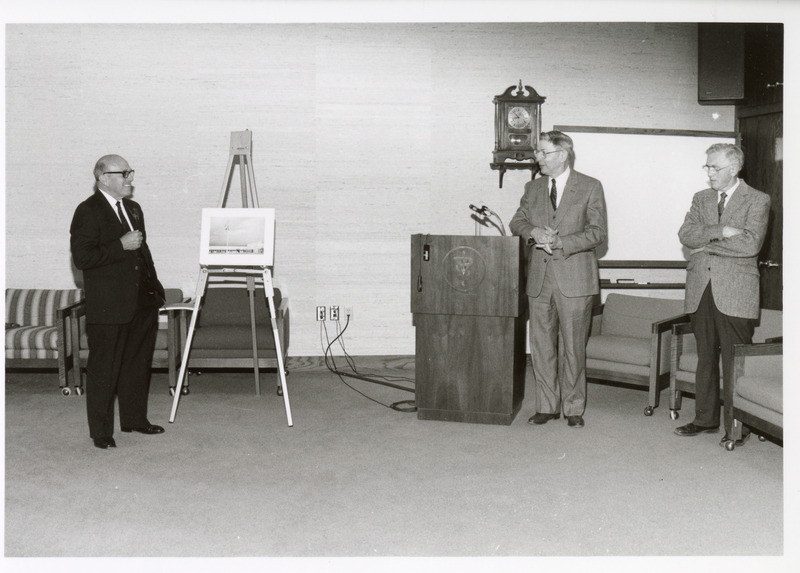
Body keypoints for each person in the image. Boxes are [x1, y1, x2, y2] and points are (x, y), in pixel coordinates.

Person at [509, 131, 607, 428]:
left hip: (576, 280)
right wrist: (534, 233)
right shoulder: (533, 187)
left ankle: (573, 407)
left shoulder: (590, 186)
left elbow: (597, 232)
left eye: (543, 152)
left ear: (563, 154)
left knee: (573, 348)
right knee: (541, 346)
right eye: (538, 152)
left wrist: (562, 241)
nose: (536, 157)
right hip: (539, 279)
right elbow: (517, 221)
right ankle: (546, 406)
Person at [674, 143, 770, 447]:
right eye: (707, 166)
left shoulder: (757, 200)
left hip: (736, 292)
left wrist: (706, 245)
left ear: (734, 168)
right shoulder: (701, 198)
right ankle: (705, 419)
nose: (709, 172)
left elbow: (750, 245)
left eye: (714, 167)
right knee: (705, 357)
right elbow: (685, 235)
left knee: (733, 360)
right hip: (701, 288)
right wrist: (720, 231)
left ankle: (735, 425)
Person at [70, 154, 166, 449]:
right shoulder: (88, 211)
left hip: (141, 302)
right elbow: (83, 258)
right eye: (123, 173)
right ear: (102, 177)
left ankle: (135, 420)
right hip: (109, 305)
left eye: (130, 172)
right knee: (104, 369)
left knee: (137, 364)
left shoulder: (133, 208)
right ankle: (101, 432)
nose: (130, 178)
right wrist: (119, 245)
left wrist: (155, 289)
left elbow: (142, 250)